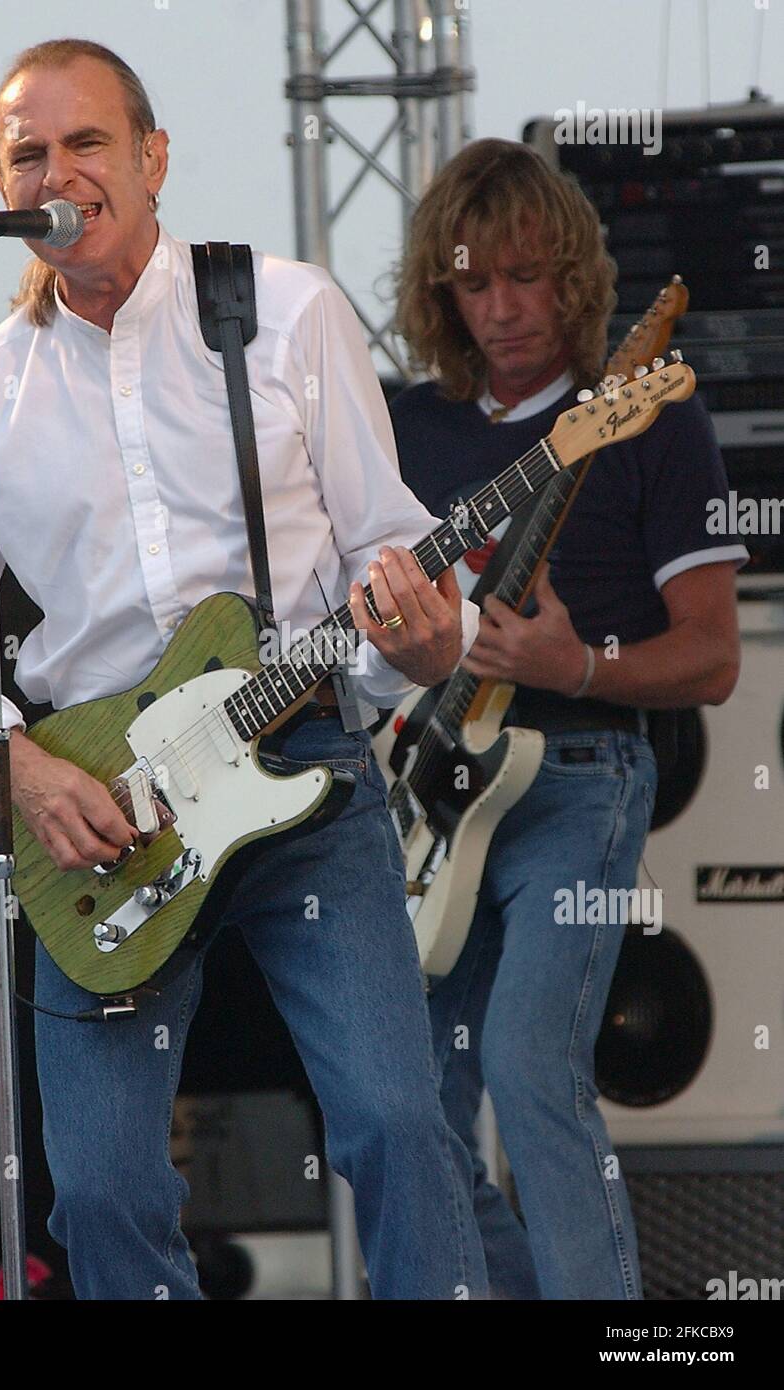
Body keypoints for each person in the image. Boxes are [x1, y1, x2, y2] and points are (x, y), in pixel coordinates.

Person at [0, 39, 488, 1300]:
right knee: (99, 1185)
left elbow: (385, 541)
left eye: (87, 142)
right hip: (101, 809)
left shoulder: (285, 311)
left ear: (153, 158)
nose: (58, 170)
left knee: (392, 1121)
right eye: (26, 152)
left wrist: (432, 642)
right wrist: (21, 768)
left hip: (302, 757)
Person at [390, 138, 747, 1300]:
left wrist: (573, 663)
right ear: (441, 293)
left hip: (579, 779)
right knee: (403, 1094)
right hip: (430, 788)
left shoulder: (646, 418)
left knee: (528, 1059)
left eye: (527, 275)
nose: (503, 308)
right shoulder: (402, 431)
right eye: (475, 282)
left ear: (574, 280)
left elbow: (710, 657)